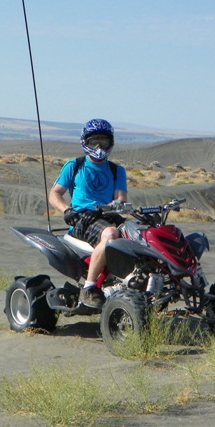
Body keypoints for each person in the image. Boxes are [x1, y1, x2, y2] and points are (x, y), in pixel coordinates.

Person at [48, 119, 128, 308]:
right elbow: (54, 193)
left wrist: (111, 208)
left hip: (106, 217)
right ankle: (89, 288)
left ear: (111, 142)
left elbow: (121, 199)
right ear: (85, 142)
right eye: (94, 141)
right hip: (82, 220)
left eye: (103, 141)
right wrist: (67, 210)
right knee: (110, 234)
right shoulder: (75, 165)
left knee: (138, 237)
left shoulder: (117, 170)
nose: (99, 146)